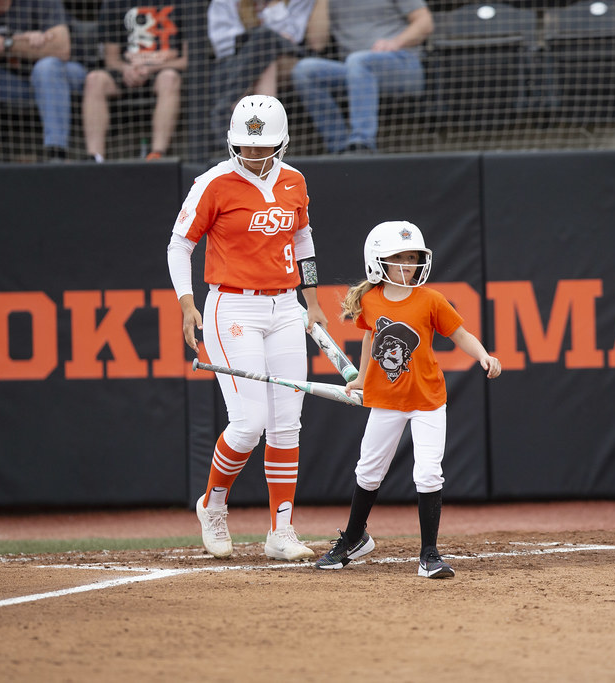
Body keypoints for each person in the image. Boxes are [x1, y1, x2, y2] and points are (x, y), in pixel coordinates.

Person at [166, 94, 329, 561]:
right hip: (232, 307)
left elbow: (302, 236)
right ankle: (212, 506)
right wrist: (186, 303)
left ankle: (281, 531)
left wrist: (312, 301)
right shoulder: (213, 182)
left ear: (281, 144)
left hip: (285, 307)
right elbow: (180, 246)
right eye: (246, 147)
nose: (254, 155)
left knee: (286, 426)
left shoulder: (295, 180)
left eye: (263, 147)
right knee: (248, 423)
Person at [314, 220, 501, 578]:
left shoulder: (430, 299)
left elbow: (460, 334)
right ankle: (354, 538)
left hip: (428, 400)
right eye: (398, 257)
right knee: (368, 470)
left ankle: (429, 555)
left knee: (429, 474)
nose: (408, 264)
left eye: (413, 257)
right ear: (378, 260)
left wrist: (483, 355)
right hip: (385, 400)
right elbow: (369, 340)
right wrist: (360, 378)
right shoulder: (370, 300)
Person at [290, 0, 432, 155]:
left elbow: (425, 22)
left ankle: (362, 144)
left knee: (358, 60)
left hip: (402, 65)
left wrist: (395, 43)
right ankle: (341, 148)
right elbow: (317, 43)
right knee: (304, 70)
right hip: (355, 70)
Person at [0, 0, 84, 162]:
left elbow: (61, 49)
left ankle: (56, 153)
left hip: (64, 77)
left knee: (46, 67)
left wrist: (5, 43)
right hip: (14, 83)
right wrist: (24, 40)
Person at [206, 0, 314, 157]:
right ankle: (266, 129)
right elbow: (223, 44)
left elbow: (294, 36)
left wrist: (275, 8)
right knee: (265, 48)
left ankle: (229, 106)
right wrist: (259, 41)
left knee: (265, 39)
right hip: (234, 63)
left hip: (286, 60)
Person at [82, 0, 186, 162]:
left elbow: (187, 60)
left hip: (162, 71)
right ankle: (95, 157)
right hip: (125, 71)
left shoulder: (186, 4)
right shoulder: (114, 4)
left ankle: (157, 154)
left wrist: (150, 68)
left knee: (169, 78)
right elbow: (111, 60)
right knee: (94, 79)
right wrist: (127, 69)